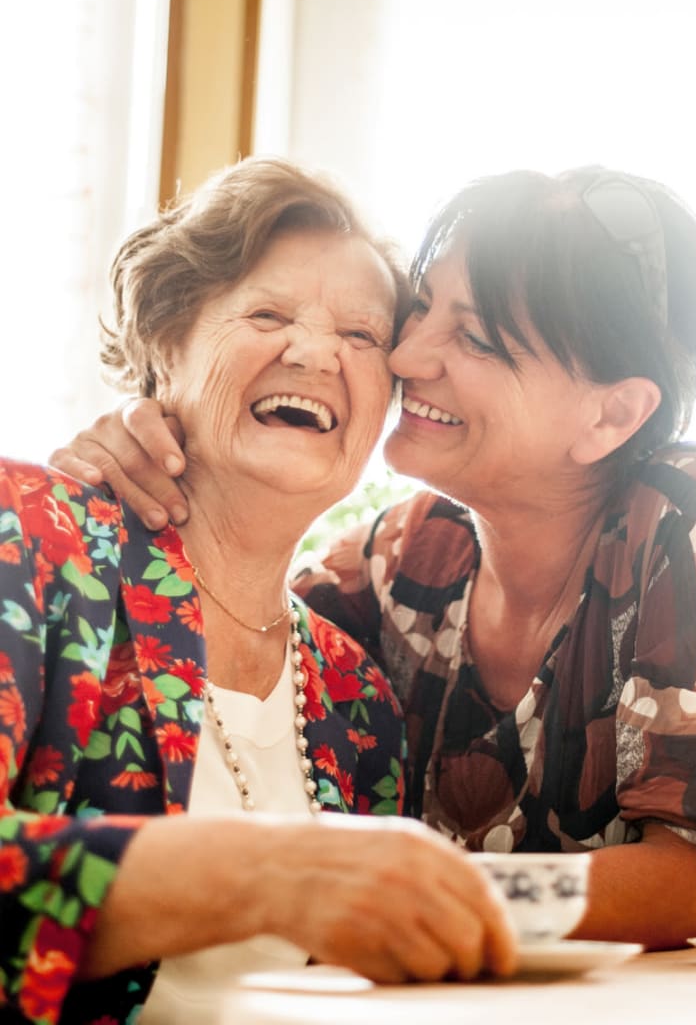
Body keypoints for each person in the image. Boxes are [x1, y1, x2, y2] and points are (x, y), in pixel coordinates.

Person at [51, 164, 696, 953]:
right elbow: (228, 603)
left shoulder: (688, 514)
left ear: (610, 415)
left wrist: (377, 890)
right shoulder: (405, 556)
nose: (406, 358)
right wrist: (142, 435)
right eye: (421, 311)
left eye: (473, 337)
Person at [0, 158, 516, 1025]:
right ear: (165, 346)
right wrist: (267, 872)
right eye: (269, 314)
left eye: (361, 338)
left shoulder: (358, 696)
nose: (315, 352)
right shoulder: (30, 540)